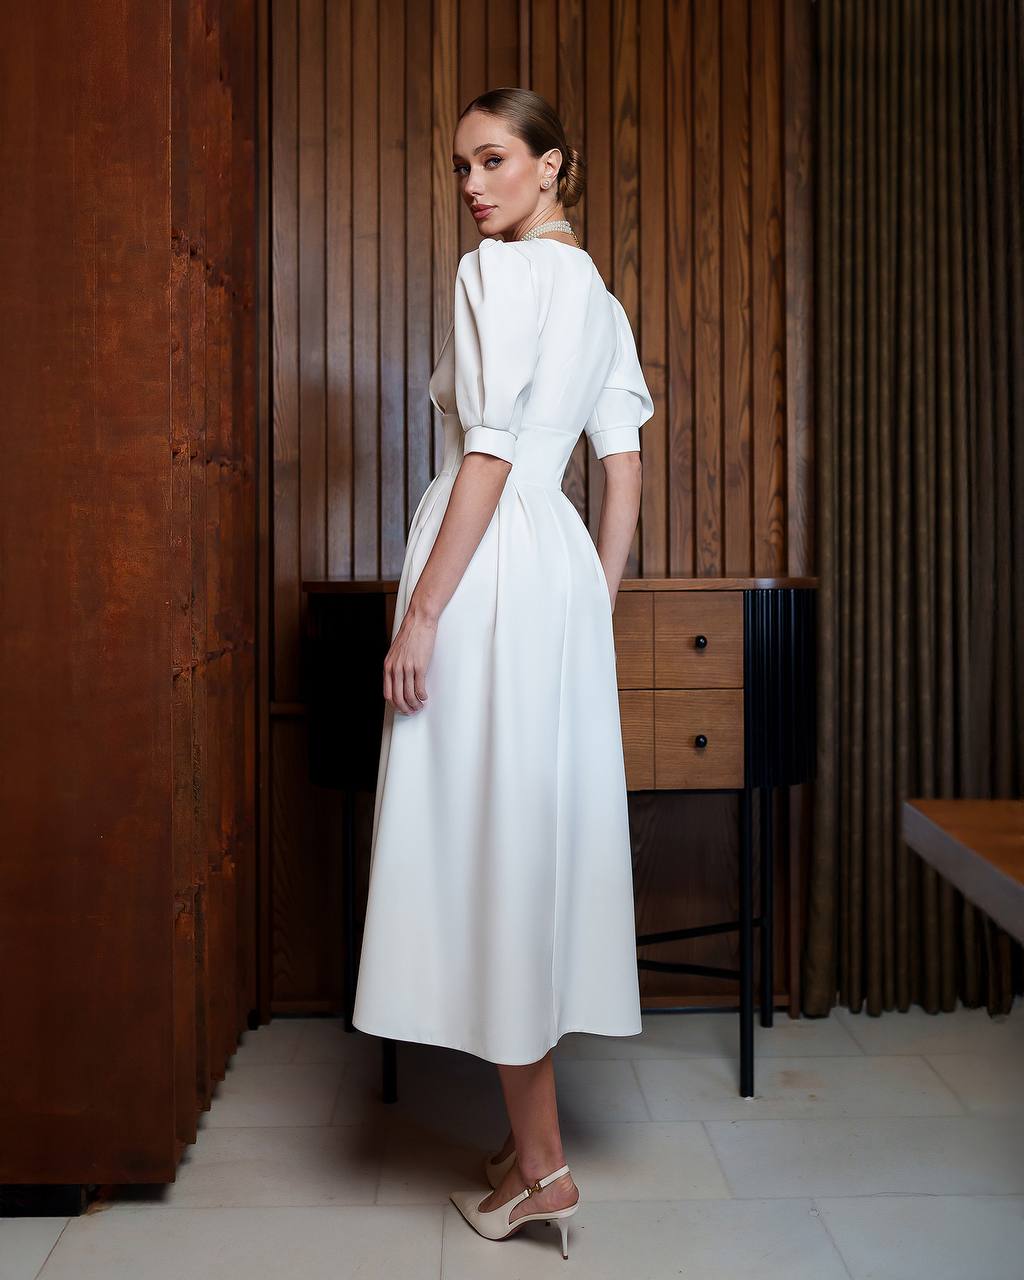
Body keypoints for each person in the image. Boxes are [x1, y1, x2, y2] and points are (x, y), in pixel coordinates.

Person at [350, 86, 654, 1259]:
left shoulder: (496, 277)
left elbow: (483, 446)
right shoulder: (598, 296)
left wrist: (424, 610)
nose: (473, 185)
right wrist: (595, 596)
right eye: (461, 166)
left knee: (484, 843)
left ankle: (543, 1170)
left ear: (550, 166)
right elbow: (620, 466)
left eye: (492, 161)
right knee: (527, 835)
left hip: (480, 563)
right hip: (555, 572)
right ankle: (532, 1145)